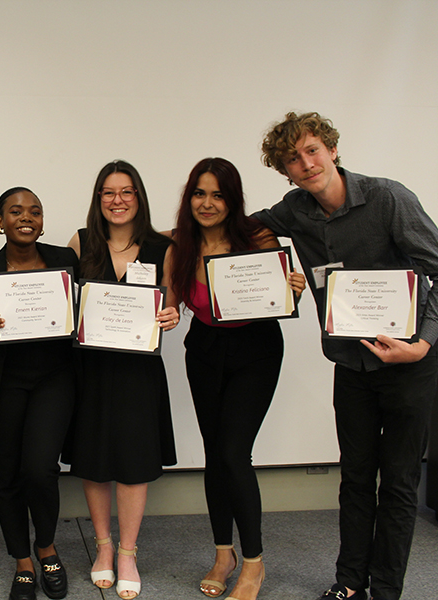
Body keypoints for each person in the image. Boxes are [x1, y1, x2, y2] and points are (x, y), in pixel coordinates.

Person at [255, 112, 438, 600]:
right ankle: (349, 583)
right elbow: (236, 229)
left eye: (312, 150)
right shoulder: (293, 209)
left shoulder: (388, 198)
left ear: (331, 148)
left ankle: (385, 590)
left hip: (409, 363)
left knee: (397, 483)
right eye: (292, 158)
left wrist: (422, 343)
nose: (306, 164)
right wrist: (277, 272)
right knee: (353, 479)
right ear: (284, 170)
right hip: (350, 364)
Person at [164, 157, 306, 600]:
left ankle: (254, 563)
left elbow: (278, 290)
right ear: (190, 198)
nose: (208, 203)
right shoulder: (178, 246)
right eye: (200, 193)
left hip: (256, 351)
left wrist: (291, 287)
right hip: (204, 351)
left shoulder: (256, 238)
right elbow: (169, 304)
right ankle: (223, 554)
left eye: (218, 194)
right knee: (214, 454)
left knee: (233, 452)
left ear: (233, 199)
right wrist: (163, 316)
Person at [63, 160, 179, 600]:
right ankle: (104, 548)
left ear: (139, 197)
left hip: (137, 371)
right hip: (90, 370)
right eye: (109, 193)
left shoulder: (161, 246)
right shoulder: (81, 241)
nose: (117, 200)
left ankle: (128, 552)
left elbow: (172, 303)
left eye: (126, 192)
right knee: (94, 459)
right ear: (99, 199)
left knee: (133, 462)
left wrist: (171, 315)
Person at [0, 187, 79, 600]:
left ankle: (46, 546)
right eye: (15, 211)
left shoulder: (65, 262)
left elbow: (82, 318)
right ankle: (22, 562)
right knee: (9, 474)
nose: (25, 217)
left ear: (43, 221)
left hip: (54, 380)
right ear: (0, 222)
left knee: (40, 468)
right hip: (4, 384)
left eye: (34, 211)